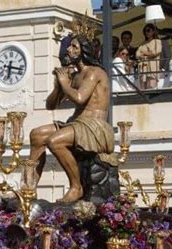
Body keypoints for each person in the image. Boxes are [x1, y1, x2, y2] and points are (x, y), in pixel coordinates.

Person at [29, 34, 114, 203]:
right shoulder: (75, 76)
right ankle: (29, 188)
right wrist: (58, 86)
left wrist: (65, 84)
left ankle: (76, 187)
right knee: (36, 135)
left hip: (94, 127)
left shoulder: (94, 72)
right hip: (76, 124)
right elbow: (51, 105)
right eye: (70, 46)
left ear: (84, 51)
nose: (69, 49)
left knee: (55, 141)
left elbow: (80, 98)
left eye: (74, 46)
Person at [136, 23, 162, 89]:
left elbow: (156, 52)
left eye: (148, 30)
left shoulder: (157, 41)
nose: (146, 32)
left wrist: (144, 53)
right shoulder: (142, 43)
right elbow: (137, 54)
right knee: (142, 87)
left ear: (153, 31)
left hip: (152, 67)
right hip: (143, 68)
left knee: (151, 86)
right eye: (145, 31)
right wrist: (148, 54)